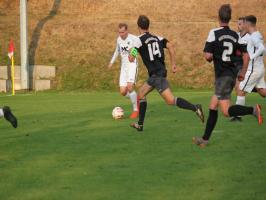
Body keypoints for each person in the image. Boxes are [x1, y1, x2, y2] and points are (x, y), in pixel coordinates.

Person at [193, 5, 263, 147]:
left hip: (222, 77)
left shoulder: (214, 33)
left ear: (218, 17)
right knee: (214, 107)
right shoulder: (235, 35)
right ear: (230, 18)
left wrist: (211, 56)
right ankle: (205, 140)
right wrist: (243, 71)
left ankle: (253, 110)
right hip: (231, 76)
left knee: (224, 110)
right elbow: (246, 55)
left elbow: (207, 56)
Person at [128, 15, 204, 132]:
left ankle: (195, 107)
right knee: (141, 94)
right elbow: (170, 46)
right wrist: (173, 64)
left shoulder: (138, 40)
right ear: (148, 26)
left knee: (170, 100)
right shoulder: (158, 38)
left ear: (138, 27)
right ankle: (140, 125)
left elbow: (131, 58)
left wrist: (131, 51)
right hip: (156, 75)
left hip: (157, 76)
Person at [108, 23, 139, 119]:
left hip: (132, 65)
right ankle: (137, 99)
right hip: (124, 67)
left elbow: (138, 48)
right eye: (119, 32)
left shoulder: (134, 38)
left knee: (130, 87)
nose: (121, 34)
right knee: (123, 92)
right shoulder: (119, 39)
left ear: (127, 31)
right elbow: (117, 51)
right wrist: (111, 62)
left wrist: (132, 55)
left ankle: (136, 109)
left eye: (122, 32)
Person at [236, 15, 266, 113]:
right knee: (262, 92)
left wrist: (252, 57)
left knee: (240, 90)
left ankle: (237, 115)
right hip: (260, 68)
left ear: (248, 24)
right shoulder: (258, 34)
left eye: (243, 23)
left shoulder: (253, 36)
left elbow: (262, 48)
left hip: (254, 70)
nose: (242, 25)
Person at [231, 17, 250, 122]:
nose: (238, 26)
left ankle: (238, 116)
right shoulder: (236, 36)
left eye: (240, 24)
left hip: (245, 66)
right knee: (261, 91)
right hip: (236, 65)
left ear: (245, 25)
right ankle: (238, 115)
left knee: (239, 88)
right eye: (237, 24)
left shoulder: (249, 37)